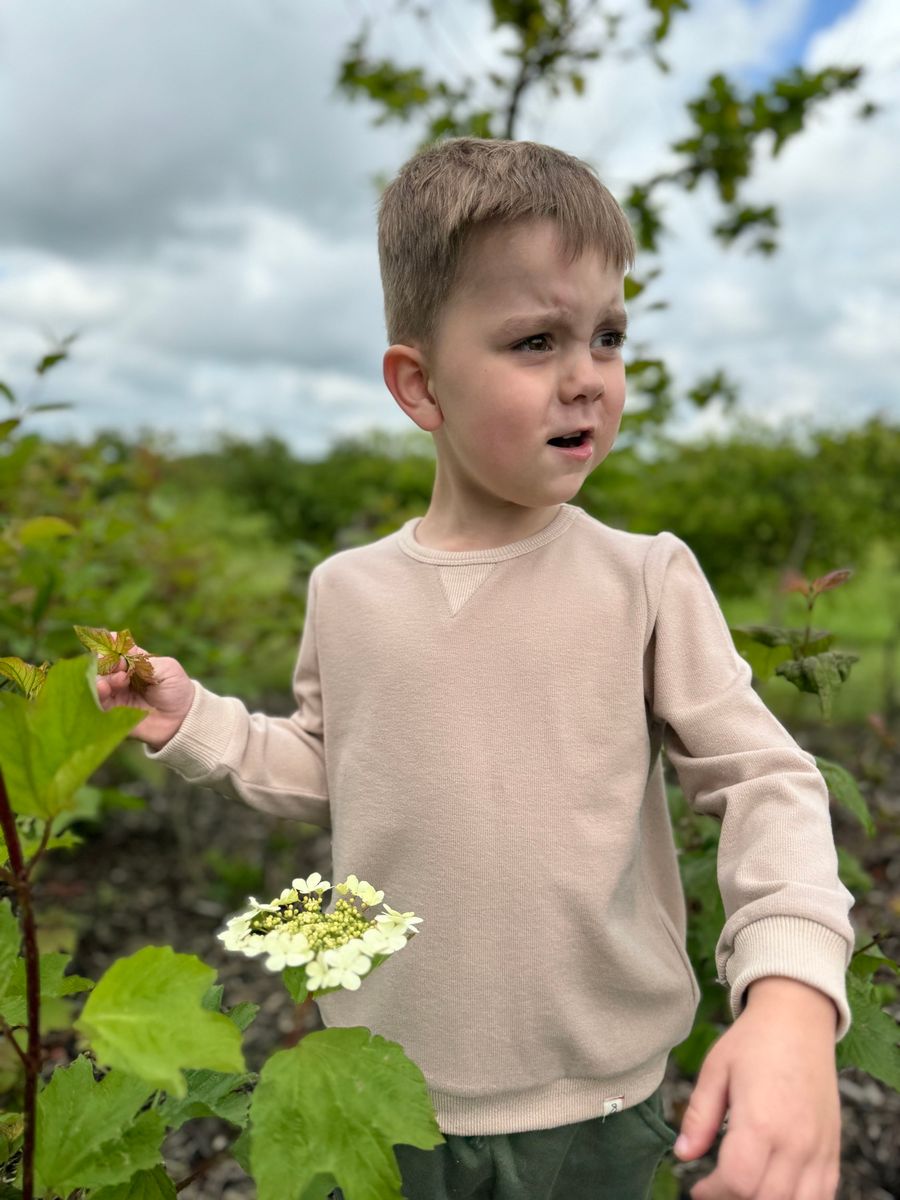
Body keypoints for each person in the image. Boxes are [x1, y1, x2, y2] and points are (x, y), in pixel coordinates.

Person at [96, 137, 854, 1200]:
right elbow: (332, 770)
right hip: (393, 1088)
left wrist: (790, 994)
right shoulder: (348, 592)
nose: (587, 376)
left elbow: (764, 781)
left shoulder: (642, 580)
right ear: (421, 385)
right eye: (536, 340)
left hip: (599, 1103)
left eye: (608, 335)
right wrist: (198, 724)